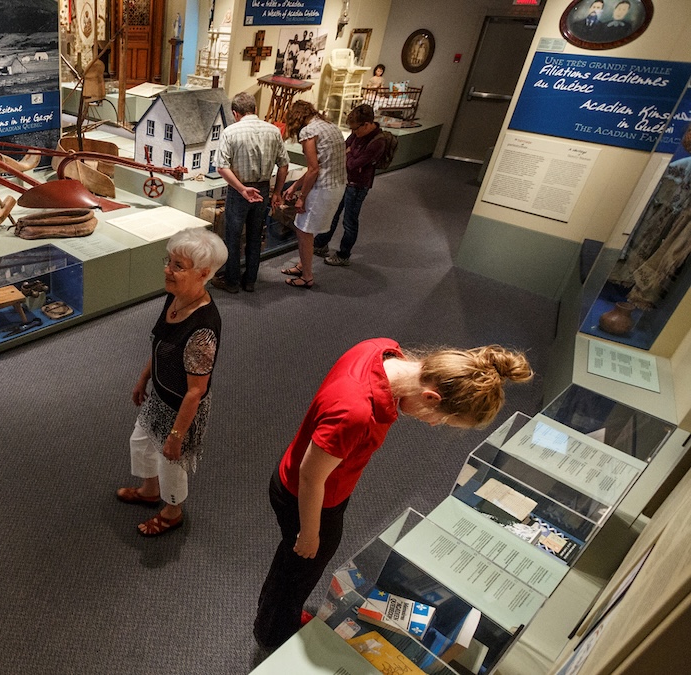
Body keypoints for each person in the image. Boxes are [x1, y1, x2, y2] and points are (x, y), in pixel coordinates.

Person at [252, 340, 533, 650]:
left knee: (293, 564)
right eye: (440, 418)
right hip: (309, 499)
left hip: (315, 480)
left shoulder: (382, 349)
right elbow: (310, 475)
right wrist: (309, 532)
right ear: (430, 396)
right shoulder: (355, 412)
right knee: (298, 569)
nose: (432, 423)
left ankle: (276, 615)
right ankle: (273, 632)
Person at [116, 228, 227, 536]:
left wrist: (177, 436)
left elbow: (196, 391)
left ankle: (172, 511)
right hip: (160, 397)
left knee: (171, 463)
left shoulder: (203, 329)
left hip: (182, 408)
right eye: (169, 261)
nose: (168, 269)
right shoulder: (175, 298)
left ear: (202, 273)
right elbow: (160, 341)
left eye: (178, 266)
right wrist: (143, 379)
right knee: (140, 443)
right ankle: (149, 491)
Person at [210, 92, 289, 294]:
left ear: (235, 113)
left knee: (233, 237)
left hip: (240, 191)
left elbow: (221, 167)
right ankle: (250, 281)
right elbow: (283, 165)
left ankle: (232, 281)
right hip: (262, 189)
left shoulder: (231, 132)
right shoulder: (273, 131)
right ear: (255, 109)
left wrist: (242, 189)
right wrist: (278, 191)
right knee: (255, 236)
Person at [279, 100, 345, 290]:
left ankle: (307, 276)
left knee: (303, 230)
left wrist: (301, 197)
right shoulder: (330, 126)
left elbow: (314, 169)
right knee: (308, 229)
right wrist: (295, 186)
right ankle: (303, 265)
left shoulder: (308, 131)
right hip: (336, 185)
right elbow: (319, 166)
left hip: (323, 188)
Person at [313, 105, 387, 267]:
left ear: (366, 124)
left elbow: (353, 163)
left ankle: (344, 254)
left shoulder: (378, 142)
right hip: (344, 180)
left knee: (349, 221)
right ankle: (320, 244)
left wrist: (349, 152)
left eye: (356, 129)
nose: (354, 133)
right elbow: (343, 149)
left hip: (358, 186)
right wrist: (349, 153)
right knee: (332, 213)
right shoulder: (358, 134)